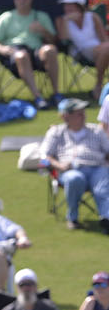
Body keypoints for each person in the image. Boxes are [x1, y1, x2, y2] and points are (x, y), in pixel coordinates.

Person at [39, 98, 109, 231]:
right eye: (78, 113)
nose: (83, 116)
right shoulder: (56, 132)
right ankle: (72, 217)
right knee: (74, 178)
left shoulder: (96, 130)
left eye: (83, 112)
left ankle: (107, 218)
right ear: (66, 116)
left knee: (103, 183)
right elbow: (44, 156)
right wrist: (58, 165)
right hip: (69, 170)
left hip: (97, 167)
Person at [0, 0, 61, 109]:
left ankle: (56, 94)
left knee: (50, 50)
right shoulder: (6, 17)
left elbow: (53, 40)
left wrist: (43, 30)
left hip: (36, 51)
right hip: (15, 53)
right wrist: (2, 48)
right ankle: (38, 97)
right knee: (22, 55)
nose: (21, 0)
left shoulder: (41, 16)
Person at [57, 0, 109, 106]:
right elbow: (63, 40)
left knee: (106, 49)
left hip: (101, 50)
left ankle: (98, 87)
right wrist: (66, 20)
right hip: (80, 53)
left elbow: (103, 38)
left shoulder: (92, 17)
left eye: (70, 5)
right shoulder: (62, 20)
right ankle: (99, 85)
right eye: (66, 5)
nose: (67, 8)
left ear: (79, 6)